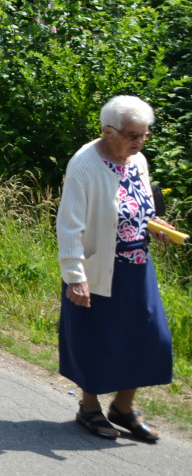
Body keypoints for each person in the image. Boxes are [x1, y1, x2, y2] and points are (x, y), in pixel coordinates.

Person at [57, 95, 177, 442]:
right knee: (98, 339)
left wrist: (155, 224)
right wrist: (75, 277)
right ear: (108, 131)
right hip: (98, 268)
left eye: (144, 135)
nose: (139, 142)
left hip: (138, 266)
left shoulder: (137, 160)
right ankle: (89, 407)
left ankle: (123, 407)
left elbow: (140, 205)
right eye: (132, 135)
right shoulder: (84, 164)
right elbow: (69, 226)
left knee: (151, 337)